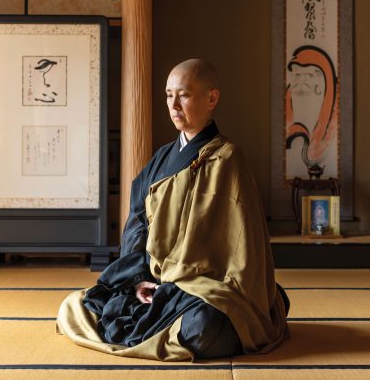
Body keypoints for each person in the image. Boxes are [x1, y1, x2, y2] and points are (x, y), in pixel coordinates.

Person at [57, 58, 289, 361]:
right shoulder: (162, 158)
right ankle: (157, 310)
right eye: (169, 95)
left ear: (211, 98)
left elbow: (241, 247)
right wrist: (139, 279)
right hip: (155, 282)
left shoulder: (228, 159)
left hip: (204, 286)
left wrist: (178, 281)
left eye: (185, 95)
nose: (174, 105)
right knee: (83, 306)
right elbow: (137, 224)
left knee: (202, 327)